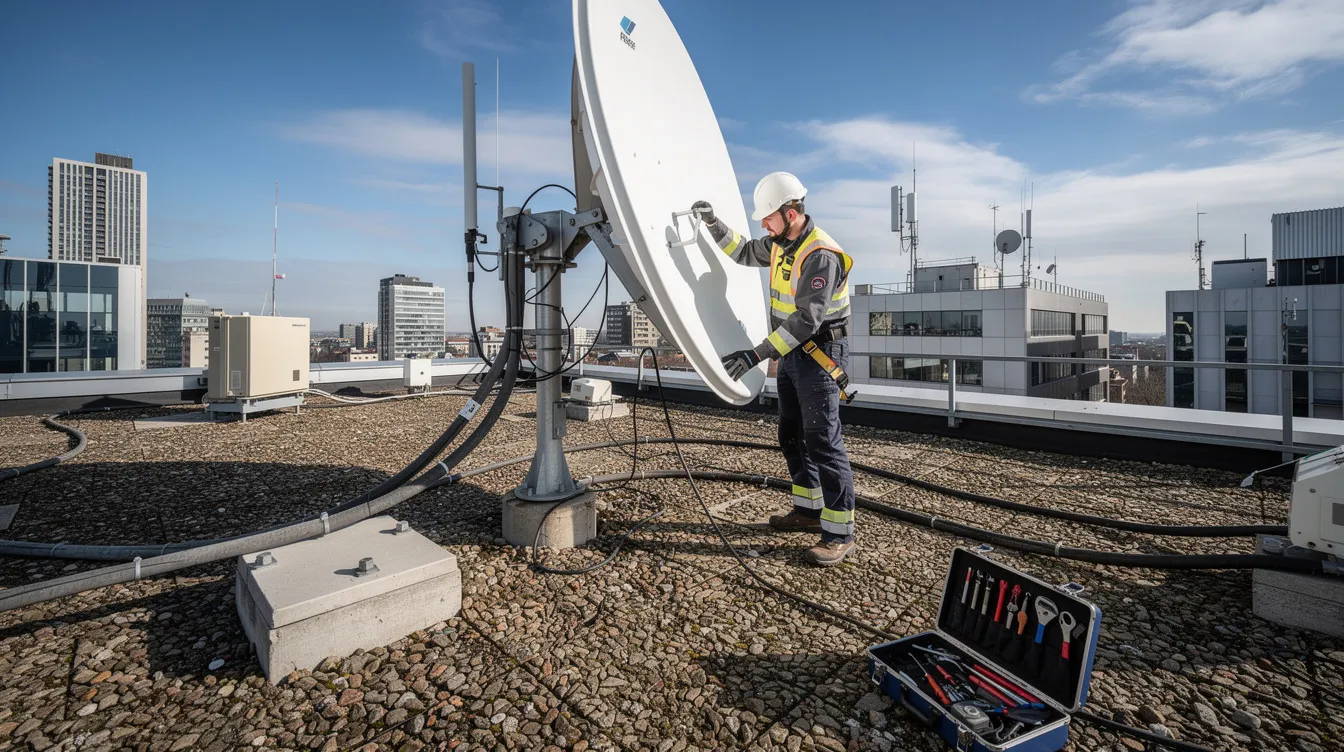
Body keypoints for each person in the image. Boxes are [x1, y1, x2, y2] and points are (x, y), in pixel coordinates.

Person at [692, 172, 857, 566]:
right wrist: (714, 226)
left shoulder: (820, 254)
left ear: (791, 212)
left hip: (819, 354)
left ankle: (839, 534)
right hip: (791, 354)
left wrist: (755, 354)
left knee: (823, 441)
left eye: (768, 217)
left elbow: (806, 321)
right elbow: (745, 251)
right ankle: (807, 510)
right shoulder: (782, 243)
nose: (764, 225)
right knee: (791, 434)